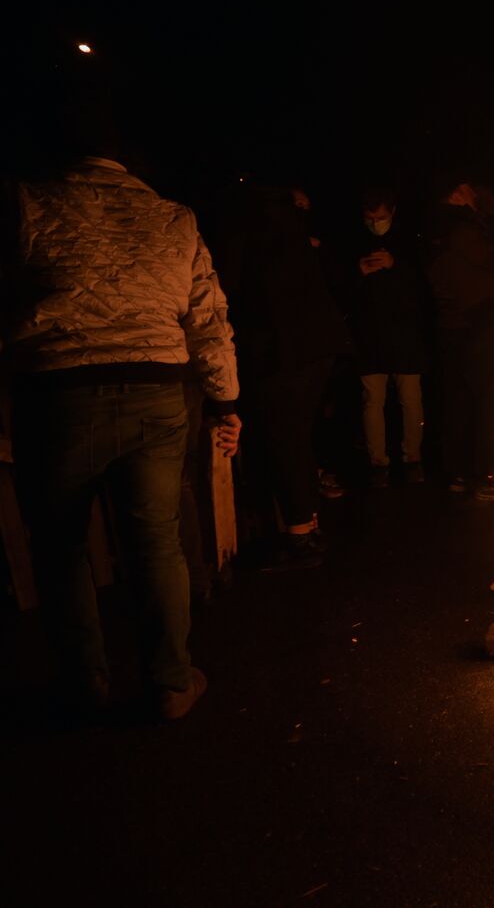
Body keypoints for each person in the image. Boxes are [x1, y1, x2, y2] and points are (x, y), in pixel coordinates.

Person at [1, 153, 240, 720]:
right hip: (154, 388)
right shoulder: (172, 217)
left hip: (58, 393)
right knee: (156, 540)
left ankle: (84, 682)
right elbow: (206, 315)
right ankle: (171, 684)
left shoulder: (25, 202)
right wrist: (225, 399)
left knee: (61, 548)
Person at [219, 184, 351, 569]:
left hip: (282, 348)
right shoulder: (291, 225)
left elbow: (226, 287)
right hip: (319, 345)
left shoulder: (245, 226)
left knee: (284, 437)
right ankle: (308, 521)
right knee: (299, 434)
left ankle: (299, 536)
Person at [424, 175, 494, 500]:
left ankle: (458, 472)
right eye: (469, 190)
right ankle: (486, 477)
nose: (475, 195)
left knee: (460, 402)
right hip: (474, 327)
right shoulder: (460, 228)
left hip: (458, 327)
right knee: (487, 403)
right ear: (456, 194)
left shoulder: (442, 228)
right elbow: (489, 259)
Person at [340, 188, 428, 487]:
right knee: (372, 401)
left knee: (410, 399)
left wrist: (395, 267)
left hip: (405, 337)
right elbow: (341, 293)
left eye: (380, 217)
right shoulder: (353, 243)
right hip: (369, 338)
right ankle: (378, 463)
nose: (375, 223)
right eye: (369, 218)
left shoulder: (408, 243)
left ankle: (412, 458)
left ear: (392, 213)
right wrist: (358, 273)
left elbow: (422, 289)